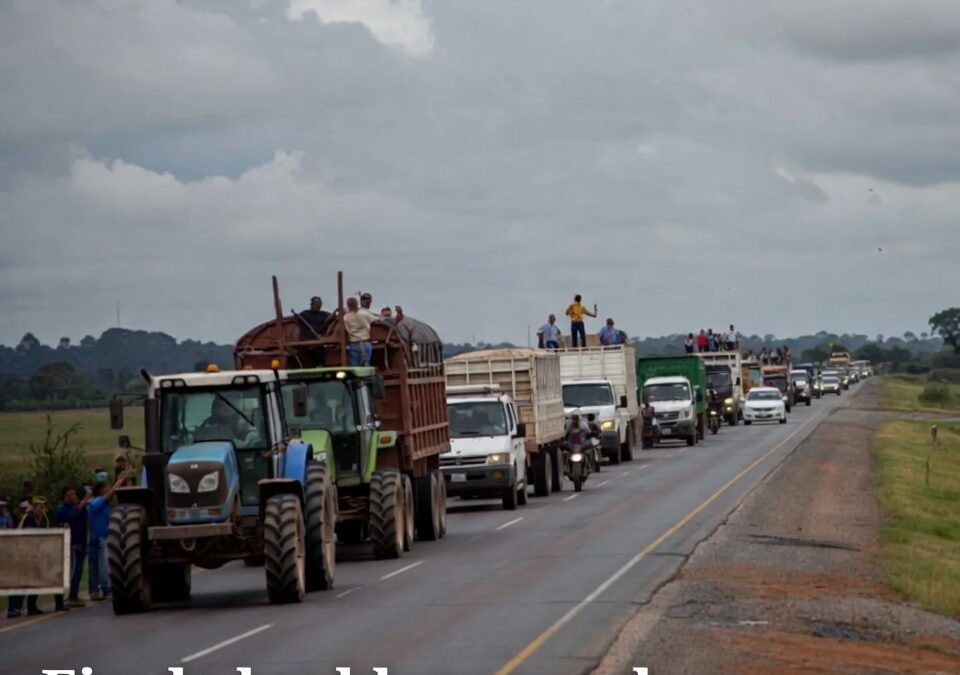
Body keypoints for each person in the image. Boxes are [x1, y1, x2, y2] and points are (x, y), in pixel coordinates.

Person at [8, 497, 62, 617]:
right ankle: (14, 608)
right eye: (40, 507)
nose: (42, 510)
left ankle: (31, 606)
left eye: (43, 507)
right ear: (34, 508)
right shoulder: (27, 518)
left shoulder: (44, 520)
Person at [88, 476, 125, 601]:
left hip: (101, 537)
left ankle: (96, 589)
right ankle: (104, 588)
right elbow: (109, 495)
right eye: (107, 488)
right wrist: (118, 483)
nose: (109, 490)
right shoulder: (96, 502)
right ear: (101, 490)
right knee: (102, 565)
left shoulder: (107, 506)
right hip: (99, 538)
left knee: (96, 565)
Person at [57, 486, 92, 608]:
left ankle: (75, 594)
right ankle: (70, 595)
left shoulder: (79, 508)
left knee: (79, 570)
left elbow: (84, 520)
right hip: (71, 544)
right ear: (65, 497)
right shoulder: (62, 510)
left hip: (81, 542)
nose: (74, 496)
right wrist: (82, 503)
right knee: (73, 570)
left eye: (74, 493)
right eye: (70, 494)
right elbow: (71, 517)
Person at [344, 297, 375, 366]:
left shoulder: (345, 317)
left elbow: (346, 330)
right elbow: (377, 321)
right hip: (365, 342)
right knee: (366, 364)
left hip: (353, 343)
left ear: (348, 305)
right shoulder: (365, 314)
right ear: (357, 304)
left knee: (354, 366)